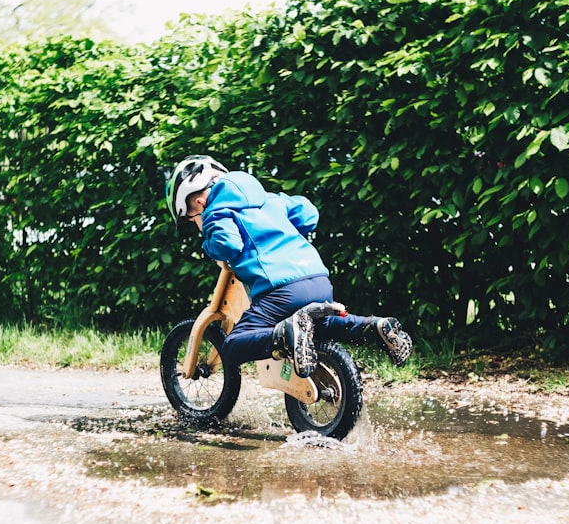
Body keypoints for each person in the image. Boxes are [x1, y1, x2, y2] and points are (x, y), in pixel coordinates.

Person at [165, 154, 412, 378]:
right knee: (322, 327)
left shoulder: (216, 211)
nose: (196, 223)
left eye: (190, 218)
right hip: (318, 279)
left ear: (198, 202)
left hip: (279, 289)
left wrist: (208, 245)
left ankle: (285, 334)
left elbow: (228, 244)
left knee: (232, 347)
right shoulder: (269, 200)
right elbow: (308, 214)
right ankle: (373, 327)